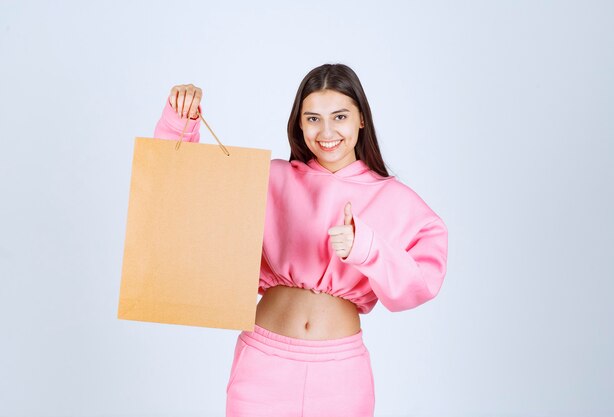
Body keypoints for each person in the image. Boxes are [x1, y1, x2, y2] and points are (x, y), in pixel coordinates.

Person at [153, 63, 448, 417]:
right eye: (312, 118)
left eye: (339, 116)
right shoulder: (270, 177)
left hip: (339, 378)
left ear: (361, 120)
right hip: (262, 367)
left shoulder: (395, 199)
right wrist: (180, 121)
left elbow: (422, 283)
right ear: (299, 123)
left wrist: (366, 249)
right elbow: (187, 194)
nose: (326, 131)